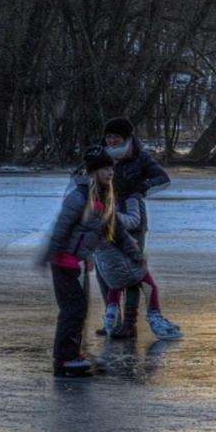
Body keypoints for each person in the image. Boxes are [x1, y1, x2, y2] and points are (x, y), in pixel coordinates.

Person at [36, 148, 126, 377]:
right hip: (62, 262)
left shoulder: (101, 196)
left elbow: (90, 234)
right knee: (73, 309)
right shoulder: (79, 196)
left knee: (77, 309)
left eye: (112, 168)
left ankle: (71, 354)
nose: (110, 172)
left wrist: (86, 258)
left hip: (72, 262)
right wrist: (49, 255)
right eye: (106, 168)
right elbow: (62, 228)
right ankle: (64, 358)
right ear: (94, 171)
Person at [97, 116, 181, 341]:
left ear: (126, 138)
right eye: (108, 136)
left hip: (134, 220)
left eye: (116, 137)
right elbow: (82, 176)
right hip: (106, 217)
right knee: (106, 269)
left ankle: (129, 323)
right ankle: (112, 318)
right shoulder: (100, 155)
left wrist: (140, 189)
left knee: (133, 271)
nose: (111, 140)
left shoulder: (140, 158)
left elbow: (162, 179)